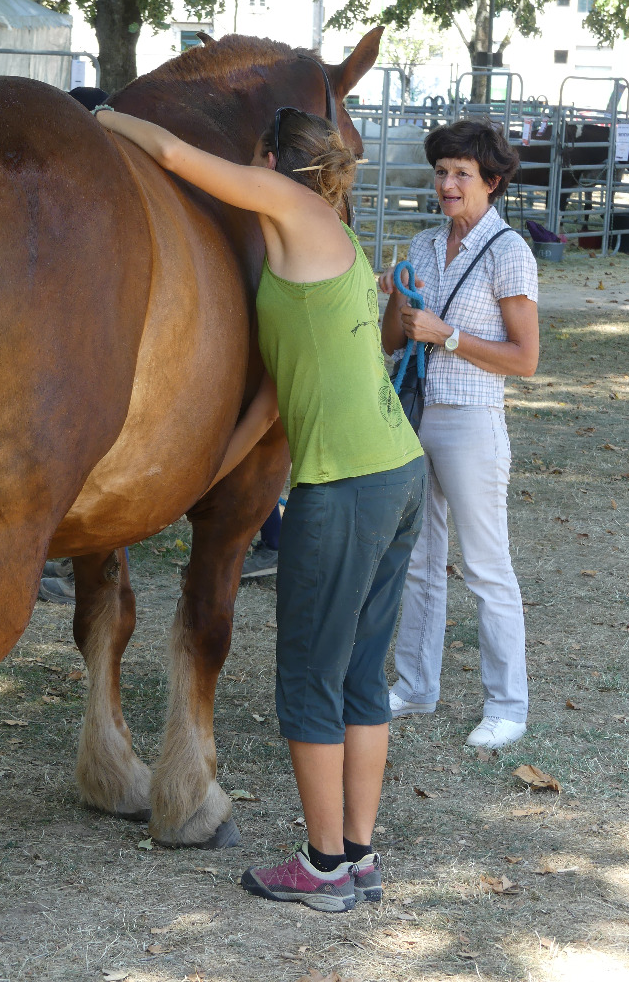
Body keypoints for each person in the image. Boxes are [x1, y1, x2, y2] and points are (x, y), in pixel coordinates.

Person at [93, 103, 425, 912]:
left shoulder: (287, 205)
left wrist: (104, 114)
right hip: (396, 473)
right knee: (357, 680)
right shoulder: (333, 234)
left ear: (269, 158)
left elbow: (171, 149)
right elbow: (277, 393)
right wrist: (205, 469)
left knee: (309, 681)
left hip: (345, 488)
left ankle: (319, 868)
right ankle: (357, 856)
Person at [380, 118, 539, 751]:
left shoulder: (509, 252)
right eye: (442, 171)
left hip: (472, 423)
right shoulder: (421, 245)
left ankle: (508, 704)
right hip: (415, 416)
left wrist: (447, 334)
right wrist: (397, 298)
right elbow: (394, 341)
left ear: (492, 182)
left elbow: (525, 359)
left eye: (462, 174)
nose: (448, 184)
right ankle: (415, 685)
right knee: (418, 561)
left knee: (485, 567)